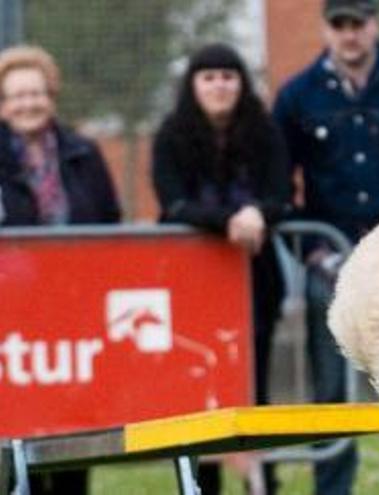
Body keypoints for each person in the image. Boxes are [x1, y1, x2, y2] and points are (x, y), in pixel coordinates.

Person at [271, 0, 379, 493]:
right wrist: (312, 252)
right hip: (331, 263)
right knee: (330, 389)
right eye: (339, 25)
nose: (350, 35)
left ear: (376, 25)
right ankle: (331, 488)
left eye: (358, 24)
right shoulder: (297, 96)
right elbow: (276, 183)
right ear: (327, 29)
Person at [151, 43, 291, 494]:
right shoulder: (171, 136)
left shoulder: (264, 132)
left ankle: (262, 484)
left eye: (228, 76)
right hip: (193, 286)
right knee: (199, 393)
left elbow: (281, 194)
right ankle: (199, 485)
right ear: (193, 85)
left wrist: (258, 214)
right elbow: (172, 202)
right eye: (208, 77)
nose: (219, 85)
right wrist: (228, 220)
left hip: (256, 282)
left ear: (241, 83)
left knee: (255, 386)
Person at [0, 45, 120, 494]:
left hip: (75, 321)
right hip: (12, 323)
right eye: (16, 96)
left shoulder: (83, 154)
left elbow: (109, 221)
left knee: (73, 434)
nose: (28, 104)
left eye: (36, 93)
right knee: (14, 437)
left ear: (51, 96)